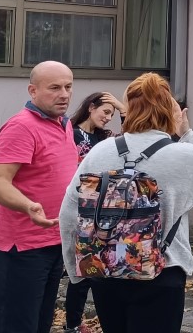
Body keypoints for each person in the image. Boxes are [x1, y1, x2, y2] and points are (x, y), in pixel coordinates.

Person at [58, 72, 193, 333]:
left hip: (107, 269)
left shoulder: (100, 151)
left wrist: (77, 271)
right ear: (169, 109)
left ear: (129, 109)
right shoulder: (185, 156)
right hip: (163, 270)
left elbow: (69, 213)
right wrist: (185, 131)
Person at [0, 61, 79, 333]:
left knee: (41, 324)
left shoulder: (64, 124)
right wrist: (28, 206)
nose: (64, 94)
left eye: (68, 87)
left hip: (56, 241)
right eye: (54, 88)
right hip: (23, 248)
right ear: (33, 90)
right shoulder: (21, 126)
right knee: (17, 325)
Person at [62, 91, 124, 333]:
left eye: (111, 114)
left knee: (100, 268)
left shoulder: (105, 138)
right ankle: (73, 324)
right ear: (91, 107)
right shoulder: (70, 132)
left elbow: (130, 138)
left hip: (102, 209)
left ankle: (82, 322)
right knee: (82, 272)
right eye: (105, 111)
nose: (108, 118)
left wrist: (122, 108)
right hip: (78, 205)